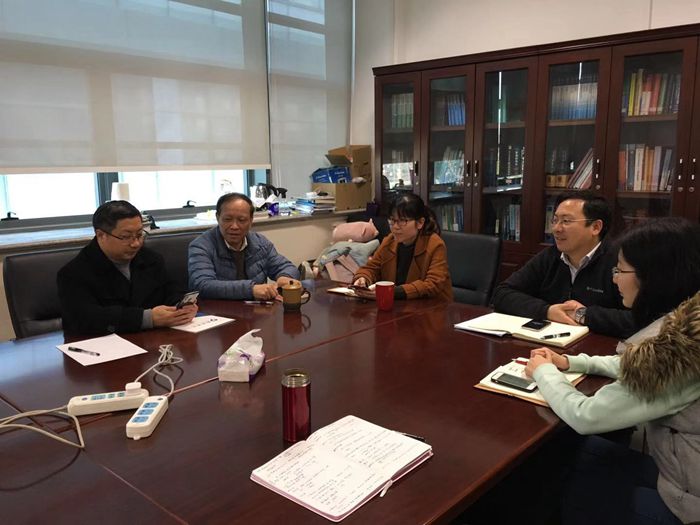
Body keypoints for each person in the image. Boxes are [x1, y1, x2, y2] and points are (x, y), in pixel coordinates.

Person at [524, 217, 700, 525]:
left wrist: (543, 371)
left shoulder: (673, 351)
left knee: (564, 491)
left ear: (654, 276)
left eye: (620, 270)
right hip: (682, 469)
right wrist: (575, 362)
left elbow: (586, 415)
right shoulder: (688, 327)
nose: (615, 280)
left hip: (688, 502)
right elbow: (639, 364)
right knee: (578, 453)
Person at [492, 190, 636, 338]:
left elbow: (640, 319)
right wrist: (547, 311)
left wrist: (584, 315)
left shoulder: (621, 262)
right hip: (551, 342)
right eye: (555, 220)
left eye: (566, 221)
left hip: (600, 347)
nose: (556, 229)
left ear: (595, 227)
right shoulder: (551, 256)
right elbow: (502, 294)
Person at [58, 201, 197, 336]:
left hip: (154, 341)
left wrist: (181, 306)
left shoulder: (151, 259)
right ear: (101, 235)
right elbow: (85, 319)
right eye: (126, 237)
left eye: (139, 235)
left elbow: (172, 290)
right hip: (104, 345)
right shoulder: (74, 273)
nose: (135, 243)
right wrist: (147, 318)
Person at [188, 192, 300, 301]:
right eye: (227, 219)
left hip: (256, 310)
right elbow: (202, 285)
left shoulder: (260, 243)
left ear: (251, 221)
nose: (234, 226)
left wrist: (285, 277)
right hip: (217, 310)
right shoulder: (201, 246)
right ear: (218, 218)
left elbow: (287, 267)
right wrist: (251, 289)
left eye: (241, 220)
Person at [352, 193, 452, 301]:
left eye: (402, 221)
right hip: (399, 304)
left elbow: (433, 284)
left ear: (420, 223)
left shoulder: (435, 244)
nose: (395, 227)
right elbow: (371, 268)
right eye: (392, 220)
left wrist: (394, 292)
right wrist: (363, 278)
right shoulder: (389, 241)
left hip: (431, 306)